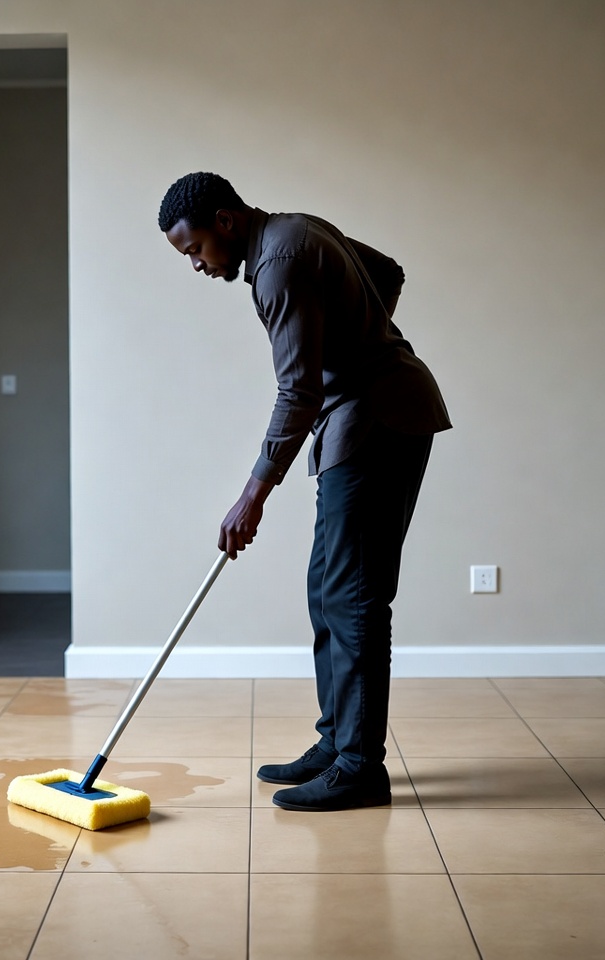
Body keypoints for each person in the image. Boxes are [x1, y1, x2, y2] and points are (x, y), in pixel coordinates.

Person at [158, 172, 451, 811]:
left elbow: (298, 391)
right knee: (327, 589)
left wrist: (252, 496)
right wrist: (353, 341)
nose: (197, 265)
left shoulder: (277, 266)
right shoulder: (295, 229)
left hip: (378, 424)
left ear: (226, 221)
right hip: (363, 421)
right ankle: (337, 741)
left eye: (195, 249)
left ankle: (360, 766)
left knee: (355, 598)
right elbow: (388, 273)